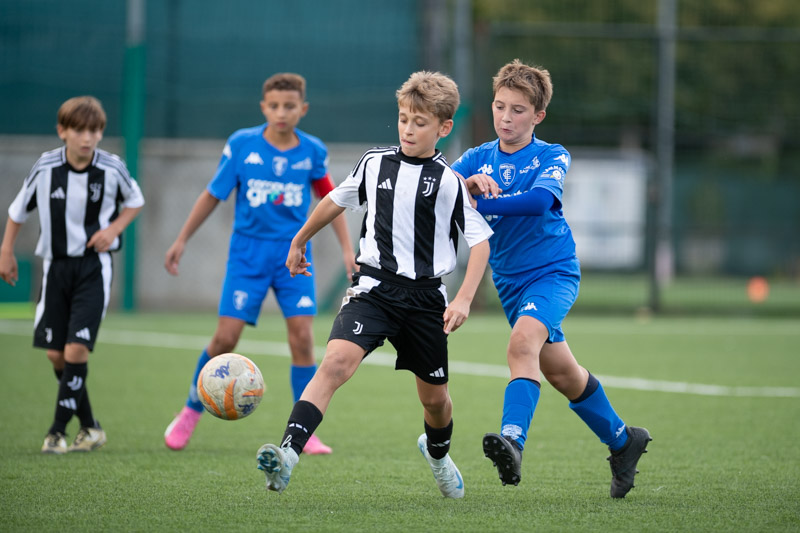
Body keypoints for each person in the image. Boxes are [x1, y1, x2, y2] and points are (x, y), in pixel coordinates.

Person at [255, 71, 493, 498]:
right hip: (374, 289)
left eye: (419, 122)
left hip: (425, 299)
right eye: (403, 118)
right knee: (335, 363)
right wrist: (299, 239)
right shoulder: (374, 163)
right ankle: (287, 456)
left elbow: (480, 243)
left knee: (435, 401)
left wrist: (463, 299)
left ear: (443, 128)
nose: (408, 129)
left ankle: (438, 456)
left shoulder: (449, 182)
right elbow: (335, 199)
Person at [452, 59, 652, 498]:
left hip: (553, 273)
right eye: (500, 106)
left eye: (518, 110)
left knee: (521, 344)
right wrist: (464, 185)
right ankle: (624, 441)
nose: (506, 117)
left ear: (538, 115)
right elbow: (441, 188)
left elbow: (540, 201)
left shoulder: (551, 154)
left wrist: (478, 203)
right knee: (563, 374)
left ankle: (512, 441)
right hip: (510, 284)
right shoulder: (476, 158)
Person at [163, 73, 356, 454]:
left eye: (289, 106)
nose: (281, 113)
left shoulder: (313, 150)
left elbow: (332, 201)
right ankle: (189, 412)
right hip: (247, 257)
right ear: (263, 107)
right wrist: (182, 239)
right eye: (274, 106)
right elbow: (212, 194)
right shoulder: (242, 145)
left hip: (293, 257)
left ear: (303, 109)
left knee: (303, 339)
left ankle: (305, 431)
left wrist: (348, 251)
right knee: (225, 339)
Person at [0, 96, 145, 454]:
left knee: (76, 348)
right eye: (79, 130)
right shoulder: (46, 166)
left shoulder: (112, 167)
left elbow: (135, 200)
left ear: (101, 133)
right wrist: (6, 251)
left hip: (94, 268)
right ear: (62, 131)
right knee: (56, 355)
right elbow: (18, 210)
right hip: (55, 268)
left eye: (94, 131)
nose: (87, 138)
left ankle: (56, 432)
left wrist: (113, 230)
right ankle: (91, 427)